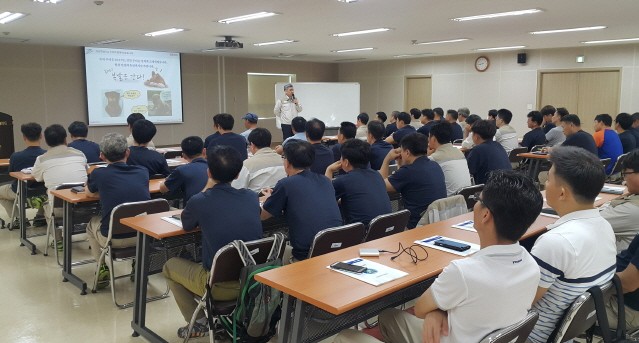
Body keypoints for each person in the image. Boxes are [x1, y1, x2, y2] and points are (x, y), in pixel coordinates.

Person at [334, 170, 542, 343]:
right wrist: (440, 311)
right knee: (389, 317)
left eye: (479, 200)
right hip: (465, 335)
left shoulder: (463, 272)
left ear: (486, 215)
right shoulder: (531, 265)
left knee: (345, 337)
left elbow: (423, 308)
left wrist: (437, 310)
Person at [163, 145, 263, 339]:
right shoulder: (251, 197)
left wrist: (207, 186)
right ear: (237, 175)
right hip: (254, 281)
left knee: (169, 266)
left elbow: (186, 224)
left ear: (209, 172)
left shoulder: (200, 200)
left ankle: (199, 322)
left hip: (219, 287)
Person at [529, 146, 616, 343]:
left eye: (548, 179)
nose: (545, 184)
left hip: (535, 335)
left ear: (562, 193)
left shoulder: (557, 241)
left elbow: (521, 302)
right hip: (568, 333)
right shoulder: (604, 226)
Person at [85, 133, 149, 289]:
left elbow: (88, 192)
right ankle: (138, 264)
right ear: (127, 152)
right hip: (145, 235)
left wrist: (106, 191)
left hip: (113, 237)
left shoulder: (99, 173)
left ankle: (101, 267)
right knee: (135, 214)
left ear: (101, 156)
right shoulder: (142, 171)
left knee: (90, 225)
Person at [260, 140, 342, 262]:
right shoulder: (325, 180)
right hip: (336, 247)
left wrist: (268, 199)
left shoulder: (285, 184)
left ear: (287, 162)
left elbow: (263, 216)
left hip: (306, 255)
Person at [380, 132, 446, 229]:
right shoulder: (435, 165)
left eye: (401, 151)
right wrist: (401, 164)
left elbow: (381, 186)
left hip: (416, 225)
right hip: (437, 221)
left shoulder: (408, 171)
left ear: (407, 152)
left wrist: (387, 159)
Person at [32, 124, 87, 234]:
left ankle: (58, 240)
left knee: (47, 207)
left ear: (46, 141)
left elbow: (36, 177)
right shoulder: (79, 154)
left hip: (57, 210)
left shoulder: (42, 159)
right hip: (84, 207)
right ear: (65, 138)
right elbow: (86, 171)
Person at [325, 139, 392, 226]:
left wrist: (329, 170)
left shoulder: (343, 181)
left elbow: (326, 200)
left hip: (362, 234)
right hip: (387, 229)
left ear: (346, 162)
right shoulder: (376, 175)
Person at [0, 123, 46, 227]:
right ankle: (40, 216)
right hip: (43, 191)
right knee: (44, 189)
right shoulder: (46, 155)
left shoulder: (16, 156)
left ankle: (19, 219)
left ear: (24, 137)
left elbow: (11, 174)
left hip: (21, 191)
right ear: (41, 136)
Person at [599, 150, 639, 251]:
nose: (624, 181)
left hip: (617, 263)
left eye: (626, 174)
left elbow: (592, 222)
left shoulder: (632, 210)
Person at [159, 136, 208, 203]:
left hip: (192, 209)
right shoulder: (216, 167)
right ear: (204, 151)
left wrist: (166, 179)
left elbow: (163, 189)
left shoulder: (182, 170)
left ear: (183, 155)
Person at [428, 122, 471, 196]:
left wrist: (427, 156)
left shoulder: (433, 158)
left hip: (448, 202)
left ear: (434, 139)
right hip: (466, 200)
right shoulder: (459, 153)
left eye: (429, 137)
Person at [466, 120, 511, 185]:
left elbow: (468, 171)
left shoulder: (477, 150)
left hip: (489, 189)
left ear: (476, 136)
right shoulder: (498, 145)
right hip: (508, 185)